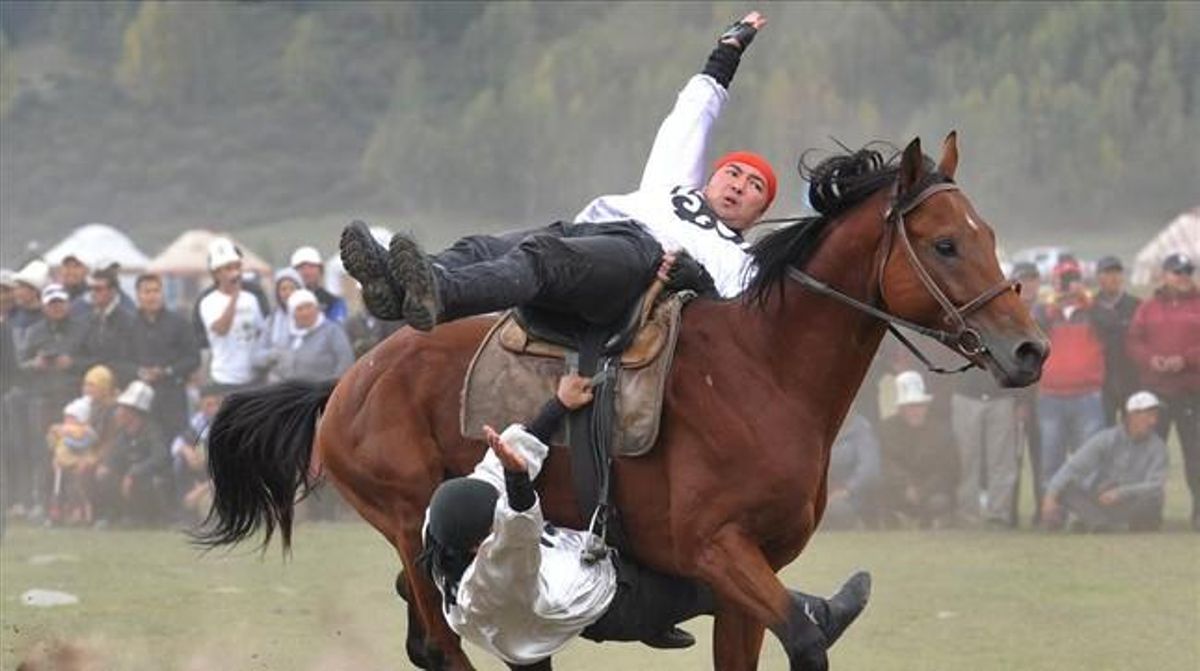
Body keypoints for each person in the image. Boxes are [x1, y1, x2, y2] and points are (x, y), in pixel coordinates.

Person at [342, 12, 776, 331]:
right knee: (484, 247)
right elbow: (690, 117)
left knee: (543, 258)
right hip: (595, 231)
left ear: (759, 214)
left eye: (754, 186)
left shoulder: (743, 261)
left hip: (640, 264)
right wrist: (726, 52)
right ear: (710, 178)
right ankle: (395, 285)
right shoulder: (674, 185)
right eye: (733, 173)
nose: (738, 185)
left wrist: (699, 281)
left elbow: (744, 320)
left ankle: (440, 291)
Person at [419, 373, 870, 667]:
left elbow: (495, 471)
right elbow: (519, 528)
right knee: (721, 583)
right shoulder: (492, 576)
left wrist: (556, 405)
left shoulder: (441, 530)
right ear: (479, 547)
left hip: (520, 633)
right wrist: (519, 483)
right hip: (602, 604)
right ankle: (815, 615)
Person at [1126, 252, 1200, 531]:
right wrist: (1150, 358)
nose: (1183, 277)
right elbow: (1134, 340)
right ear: (1165, 275)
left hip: (1191, 391)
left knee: (1195, 454)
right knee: (1149, 454)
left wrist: (1185, 359)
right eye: (1177, 272)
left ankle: (1198, 513)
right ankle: (1147, 512)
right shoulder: (1149, 307)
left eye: (1187, 272)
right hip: (1156, 392)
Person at [1033, 258, 1106, 527]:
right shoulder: (1045, 311)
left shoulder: (1092, 310)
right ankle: (1053, 513)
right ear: (1055, 282)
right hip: (1051, 395)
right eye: (1064, 279)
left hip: (1087, 395)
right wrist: (1055, 305)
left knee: (1088, 458)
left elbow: (1111, 327)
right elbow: (1032, 328)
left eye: (1073, 278)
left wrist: (1087, 301)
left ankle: (1083, 514)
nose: (1069, 284)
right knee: (1051, 457)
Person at [1041, 391, 1168, 532]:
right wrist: (1050, 497)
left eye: (1155, 416)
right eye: (1149, 416)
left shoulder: (1158, 447)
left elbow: (1156, 485)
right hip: (1102, 499)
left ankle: (1094, 522)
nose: (1153, 422)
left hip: (1132, 501)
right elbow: (1074, 467)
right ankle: (1100, 522)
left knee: (1152, 498)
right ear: (1132, 415)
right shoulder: (1106, 439)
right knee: (1065, 489)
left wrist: (1121, 493)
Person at [16, 284, 88, 517]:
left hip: (73, 400)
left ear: (67, 304)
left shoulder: (82, 329)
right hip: (43, 399)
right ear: (45, 306)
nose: (56, 307)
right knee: (43, 452)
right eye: (52, 303)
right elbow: (19, 366)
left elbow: (95, 359)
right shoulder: (35, 332)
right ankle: (45, 502)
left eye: (60, 302)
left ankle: (73, 503)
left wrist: (72, 363)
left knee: (74, 451)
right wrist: (35, 364)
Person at [878, 371, 959, 528]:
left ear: (926, 407)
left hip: (931, 491)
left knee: (939, 502)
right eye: (910, 406)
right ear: (901, 409)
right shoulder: (887, 429)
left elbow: (948, 469)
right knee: (881, 492)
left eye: (919, 406)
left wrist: (923, 490)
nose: (916, 411)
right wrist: (906, 485)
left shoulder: (941, 432)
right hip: (899, 490)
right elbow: (886, 462)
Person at [129, 273, 201, 439]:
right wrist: (139, 372)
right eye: (147, 292)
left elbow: (193, 358)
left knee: (174, 441)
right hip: (139, 395)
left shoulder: (179, 323)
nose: (152, 296)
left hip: (172, 394)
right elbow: (120, 360)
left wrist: (168, 371)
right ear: (138, 295)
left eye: (156, 291)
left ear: (162, 293)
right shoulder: (130, 324)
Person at [94, 380, 169, 526]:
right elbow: (114, 455)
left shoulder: (153, 431)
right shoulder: (122, 434)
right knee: (104, 475)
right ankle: (114, 514)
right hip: (127, 479)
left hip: (148, 481)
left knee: (146, 483)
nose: (118, 413)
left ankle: (145, 517)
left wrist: (134, 472)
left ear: (133, 412)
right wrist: (106, 466)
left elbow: (160, 457)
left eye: (122, 409)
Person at [198, 238, 266, 388]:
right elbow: (221, 329)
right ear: (216, 274)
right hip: (225, 378)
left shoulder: (252, 299)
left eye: (237, 267)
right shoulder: (208, 302)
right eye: (228, 268)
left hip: (252, 378)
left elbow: (262, 331)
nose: (234, 273)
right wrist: (235, 296)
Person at [253, 289, 354, 383]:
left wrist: (332, 387)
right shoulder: (287, 334)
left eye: (309, 307)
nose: (305, 313)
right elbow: (262, 359)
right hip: (291, 393)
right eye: (299, 309)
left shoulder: (332, 330)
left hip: (322, 393)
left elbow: (345, 362)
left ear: (317, 308)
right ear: (292, 313)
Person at [1010, 261, 1044, 524]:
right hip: (1015, 396)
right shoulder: (1008, 314)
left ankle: (1043, 508)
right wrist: (1018, 402)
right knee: (1013, 459)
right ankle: (1009, 511)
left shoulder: (1047, 312)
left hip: (1044, 398)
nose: (1030, 284)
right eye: (1025, 279)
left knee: (1041, 456)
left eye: (1033, 279)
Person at [1090, 256, 1142, 422]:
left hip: (1132, 380)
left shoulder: (1137, 305)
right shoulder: (1090, 306)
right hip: (1102, 383)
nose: (1113, 277)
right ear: (1098, 277)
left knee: (1135, 433)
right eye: (1107, 272)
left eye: (1117, 272)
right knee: (1105, 435)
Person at [78, 266, 138, 386]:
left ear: (113, 291)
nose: (93, 293)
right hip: (91, 385)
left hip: (119, 385)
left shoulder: (129, 322)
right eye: (90, 289)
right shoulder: (84, 321)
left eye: (98, 289)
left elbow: (127, 360)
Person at [171, 385, 223, 521]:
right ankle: (185, 510)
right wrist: (187, 450)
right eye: (209, 405)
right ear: (201, 406)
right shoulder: (199, 420)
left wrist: (199, 491)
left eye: (217, 404)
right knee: (180, 460)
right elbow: (177, 443)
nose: (214, 409)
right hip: (209, 478)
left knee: (207, 506)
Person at [822, 412, 882, 529]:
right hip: (819, 491)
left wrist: (847, 489)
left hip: (850, 495)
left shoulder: (862, 430)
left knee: (837, 510)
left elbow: (869, 468)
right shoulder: (817, 425)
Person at [256, 267, 304, 362]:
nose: (288, 293)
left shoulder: (311, 317)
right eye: (283, 289)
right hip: (278, 373)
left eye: (292, 288)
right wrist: (273, 355)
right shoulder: (272, 321)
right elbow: (257, 355)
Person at [290, 246, 347, 323]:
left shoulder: (333, 301)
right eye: (302, 268)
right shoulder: (287, 300)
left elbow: (337, 327)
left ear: (320, 270)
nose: (307, 272)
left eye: (311, 267)